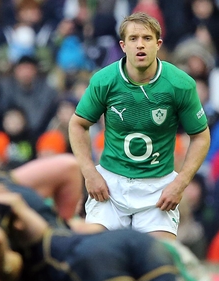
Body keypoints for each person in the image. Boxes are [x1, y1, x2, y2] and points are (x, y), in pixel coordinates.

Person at [69, 12, 210, 240]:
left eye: (147, 38)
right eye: (133, 39)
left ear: (158, 44)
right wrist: (89, 173)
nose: (140, 45)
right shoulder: (104, 80)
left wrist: (180, 183)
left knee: (158, 262)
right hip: (110, 185)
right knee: (98, 257)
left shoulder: (180, 84)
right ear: (123, 46)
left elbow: (201, 136)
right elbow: (77, 124)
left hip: (158, 188)